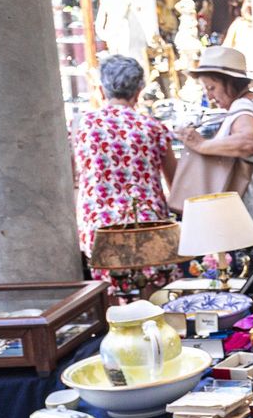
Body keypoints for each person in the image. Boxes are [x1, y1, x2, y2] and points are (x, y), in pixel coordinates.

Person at [72, 54, 176, 292]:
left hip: (100, 228)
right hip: (147, 224)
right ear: (139, 91)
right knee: (153, 296)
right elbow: (175, 182)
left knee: (110, 297)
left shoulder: (83, 124)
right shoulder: (153, 127)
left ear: (101, 89)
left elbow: (74, 175)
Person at [179, 46, 253, 251]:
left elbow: (249, 142)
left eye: (212, 88)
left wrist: (201, 145)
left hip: (250, 220)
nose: (210, 97)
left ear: (229, 82)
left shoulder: (242, 106)